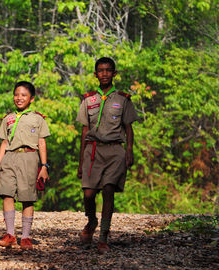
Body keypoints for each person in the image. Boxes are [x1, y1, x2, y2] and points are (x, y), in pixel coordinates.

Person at [76, 57, 138, 254]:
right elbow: (85, 132)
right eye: (100, 70)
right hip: (93, 150)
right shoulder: (88, 100)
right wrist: (81, 162)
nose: (104, 74)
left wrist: (129, 150)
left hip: (114, 151)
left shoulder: (122, 99)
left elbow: (129, 128)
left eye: (108, 70)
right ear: (95, 74)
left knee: (109, 189)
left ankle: (103, 237)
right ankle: (92, 220)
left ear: (114, 73)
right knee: (89, 193)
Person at [0, 81, 50, 250]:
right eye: (16, 94)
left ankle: (25, 236)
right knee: (7, 194)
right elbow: (4, 142)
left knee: (27, 197)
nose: (19, 98)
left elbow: (41, 142)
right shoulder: (8, 118)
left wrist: (44, 166)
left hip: (29, 157)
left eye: (24, 95)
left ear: (31, 99)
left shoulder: (38, 118)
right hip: (10, 157)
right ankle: (10, 234)